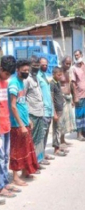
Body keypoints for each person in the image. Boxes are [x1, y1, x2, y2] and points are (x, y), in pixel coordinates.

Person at [8, 59, 39, 186]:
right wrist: (21, 124)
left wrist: (28, 120)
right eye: (24, 70)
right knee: (17, 150)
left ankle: (25, 171)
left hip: (24, 121)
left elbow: (23, 103)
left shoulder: (22, 82)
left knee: (26, 149)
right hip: (16, 124)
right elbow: (13, 106)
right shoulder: (14, 83)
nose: (26, 72)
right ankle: (15, 177)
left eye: (27, 70)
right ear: (17, 70)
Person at [0, 55, 20, 201]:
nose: (7, 77)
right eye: (6, 74)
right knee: (0, 157)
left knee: (5, 156)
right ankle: (0, 187)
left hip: (6, 124)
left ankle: (5, 182)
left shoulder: (5, 83)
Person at [24, 56, 45, 165]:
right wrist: (27, 116)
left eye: (38, 66)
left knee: (39, 138)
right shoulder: (27, 79)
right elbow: (24, 97)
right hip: (32, 114)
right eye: (34, 66)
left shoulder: (36, 78)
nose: (36, 68)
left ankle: (38, 160)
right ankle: (32, 163)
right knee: (32, 140)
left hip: (39, 112)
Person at [38, 57, 55, 164]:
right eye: (42, 64)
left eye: (46, 64)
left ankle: (43, 153)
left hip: (49, 109)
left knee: (46, 133)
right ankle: (39, 157)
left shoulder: (44, 76)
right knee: (41, 135)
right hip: (43, 110)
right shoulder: (38, 77)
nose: (45, 66)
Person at [50, 67, 69, 157]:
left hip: (60, 109)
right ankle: (56, 149)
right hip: (56, 110)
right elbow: (52, 98)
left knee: (59, 128)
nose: (60, 76)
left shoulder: (57, 82)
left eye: (61, 75)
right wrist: (54, 113)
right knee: (56, 129)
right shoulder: (52, 84)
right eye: (58, 75)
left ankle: (58, 146)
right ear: (53, 74)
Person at [59, 56, 76, 146]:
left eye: (70, 64)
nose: (68, 65)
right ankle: (60, 141)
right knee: (61, 120)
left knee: (67, 120)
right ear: (62, 63)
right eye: (67, 63)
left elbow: (69, 85)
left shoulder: (68, 72)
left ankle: (63, 139)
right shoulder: (59, 72)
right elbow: (57, 86)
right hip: (62, 98)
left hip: (68, 98)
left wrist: (72, 98)